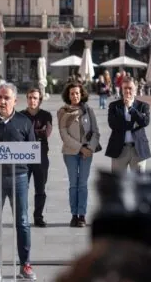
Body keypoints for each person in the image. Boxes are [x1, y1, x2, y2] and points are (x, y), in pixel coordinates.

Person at [0, 83, 37, 281]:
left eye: (6, 98)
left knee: (22, 221)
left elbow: (32, 150)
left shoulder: (24, 121)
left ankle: (25, 264)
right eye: (0, 97)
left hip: (18, 177)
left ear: (15, 101)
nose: (2, 101)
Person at [57, 82, 100, 228]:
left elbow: (96, 132)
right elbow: (63, 134)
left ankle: (82, 215)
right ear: (68, 96)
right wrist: (80, 148)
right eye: (72, 93)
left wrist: (90, 148)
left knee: (83, 184)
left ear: (81, 94)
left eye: (77, 93)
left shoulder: (89, 110)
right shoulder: (63, 112)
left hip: (87, 153)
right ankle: (73, 215)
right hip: (70, 153)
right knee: (73, 184)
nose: (75, 96)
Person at [20, 88, 52, 227]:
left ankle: (38, 216)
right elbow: (18, 135)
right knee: (22, 188)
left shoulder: (46, 115)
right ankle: (22, 216)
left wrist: (30, 134)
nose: (33, 100)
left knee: (40, 188)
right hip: (24, 156)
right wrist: (36, 133)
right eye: (30, 97)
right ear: (27, 98)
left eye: (35, 98)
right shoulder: (20, 115)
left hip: (41, 156)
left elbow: (46, 133)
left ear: (40, 100)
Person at [105, 77, 151, 173]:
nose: (127, 91)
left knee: (139, 184)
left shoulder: (143, 106)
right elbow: (113, 124)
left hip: (138, 150)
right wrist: (133, 125)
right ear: (121, 90)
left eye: (130, 88)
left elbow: (145, 122)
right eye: (125, 88)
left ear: (135, 90)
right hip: (119, 149)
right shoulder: (114, 106)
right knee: (117, 184)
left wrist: (131, 108)